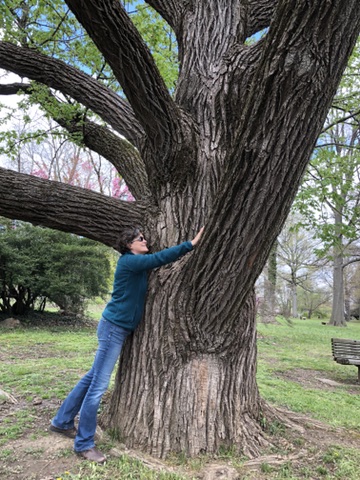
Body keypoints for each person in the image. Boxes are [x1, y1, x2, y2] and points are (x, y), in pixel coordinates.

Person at [49, 226, 204, 463]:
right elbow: (160, 258)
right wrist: (191, 244)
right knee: (98, 387)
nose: (146, 241)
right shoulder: (129, 262)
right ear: (130, 244)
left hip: (117, 328)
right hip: (113, 329)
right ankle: (84, 444)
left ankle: (62, 422)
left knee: (92, 377)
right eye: (140, 239)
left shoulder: (135, 264)